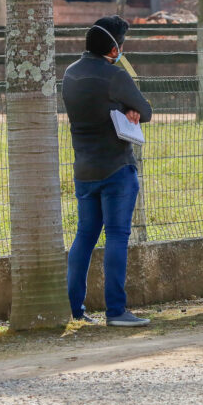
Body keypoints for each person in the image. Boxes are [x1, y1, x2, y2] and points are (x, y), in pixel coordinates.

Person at [62, 16, 153, 327]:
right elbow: (147, 110)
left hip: (84, 169)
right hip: (116, 167)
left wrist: (119, 107)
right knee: (116, 235)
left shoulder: (70, 74)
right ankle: (116, 311)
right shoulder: (114, 76)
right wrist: (128, 109)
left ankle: (75, 309)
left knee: (84, 237)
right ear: (115, 47)